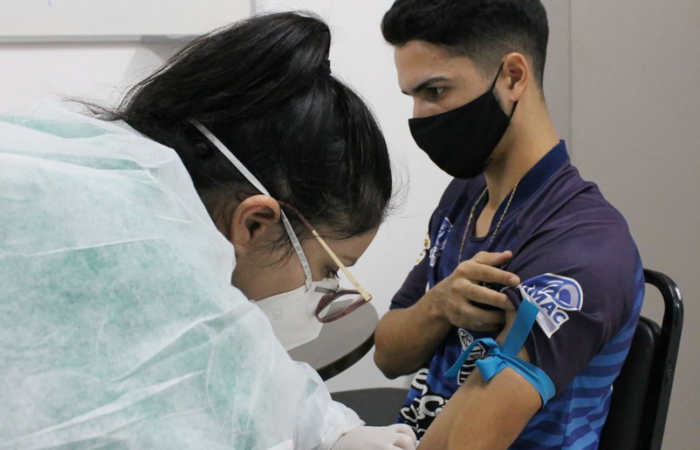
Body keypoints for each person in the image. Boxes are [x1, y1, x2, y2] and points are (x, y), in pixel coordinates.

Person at [0, 12, 416, 450]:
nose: (326, 291)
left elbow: (230, 353)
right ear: (254, 224)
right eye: (330, 270)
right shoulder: (123, 247)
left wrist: (330, 430)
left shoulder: (124, 185)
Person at [373, 1, 645, 448]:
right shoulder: (465, 195)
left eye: (436, 91)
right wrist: (439, 305)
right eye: (412, 97)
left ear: (513, 76)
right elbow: (388, 353)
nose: (420, 117)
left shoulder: (584, 248)